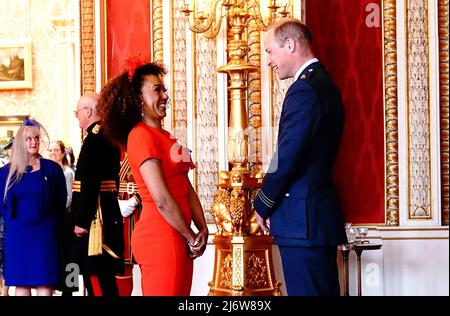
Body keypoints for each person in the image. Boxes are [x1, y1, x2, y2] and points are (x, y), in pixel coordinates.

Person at [253, 18, 347, 296]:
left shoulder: (304, 89)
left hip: (303, 221)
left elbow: (288, 155)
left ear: (290, 45)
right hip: (313, 217)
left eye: (270, 51)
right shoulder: (323, 83)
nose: (269, 61)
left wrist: (262, 204)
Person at [97, 61, 208, 295]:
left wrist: (202, 228)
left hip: (178, 235)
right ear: (138, 99)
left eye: (163, 89)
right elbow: (162, 200)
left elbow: (186, 189)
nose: (165, 95)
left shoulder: (165, 136)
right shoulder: (140, 135)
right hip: (162, 237)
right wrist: (191, 236)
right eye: (157, 90)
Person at [0, 118, 67, 296]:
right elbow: (2, 204)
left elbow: (61, 201)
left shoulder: (52, 169)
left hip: (45, 234)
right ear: (20, 143)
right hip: (18, 234)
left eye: (36, 138)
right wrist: (16, 223)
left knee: (45, 283)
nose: (33, 142)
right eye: (29, 139)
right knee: (21, 284)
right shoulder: (6, 172)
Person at [71, 93, 124, 296]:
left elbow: (90, 183)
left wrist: (82, 221)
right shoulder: (105, 135)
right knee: (104, 277)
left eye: (78, 113)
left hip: (95, 220)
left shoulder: (95, 139)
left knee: (97, 276)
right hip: (105, 212)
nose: (77, 117)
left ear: (88, 111)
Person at [48, 140, 77, 296]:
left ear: (62, 153)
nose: (53, 152)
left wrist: (54, 209)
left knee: (69, 255)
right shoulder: (48, 172)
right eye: (50, 150)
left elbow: (69, 198)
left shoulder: (68, 172)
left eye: (56, 150)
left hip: (65, 218)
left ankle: (69, 289)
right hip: (53, 219)